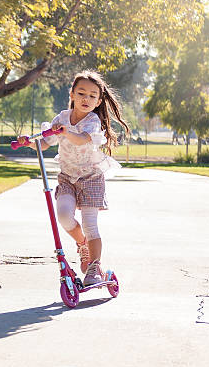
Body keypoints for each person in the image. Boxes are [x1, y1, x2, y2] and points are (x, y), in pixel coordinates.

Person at [20, 70, 129, 285]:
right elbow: (44, 143)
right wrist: (29, 143)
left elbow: (80, 140)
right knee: (63, 216)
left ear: (98, 101)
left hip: (91, 178)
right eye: (81, 93)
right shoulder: (61, 118)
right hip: (67, 177)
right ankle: (82, 245)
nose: (85, 99)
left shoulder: (92, 121)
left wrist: (64, 133)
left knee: (90, 225)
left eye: (91, 95)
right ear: (71, 94)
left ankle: (94, 268)